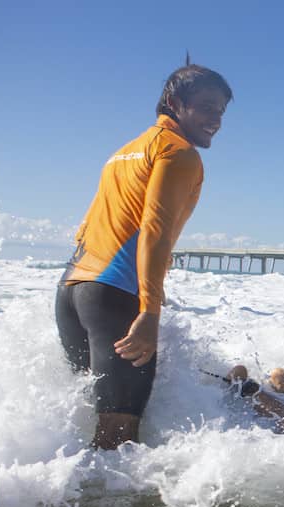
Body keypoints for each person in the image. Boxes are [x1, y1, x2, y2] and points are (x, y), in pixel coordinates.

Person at [55, 63, 233, 449]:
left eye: (221, 111)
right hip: (114, 295)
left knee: (95, 429)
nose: (216, 119)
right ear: (173, 102)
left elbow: (89, 226)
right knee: (118, 441)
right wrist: (149, 310)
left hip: (73, 290)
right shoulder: (179, 152)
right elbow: (154, 229)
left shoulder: (123, 152)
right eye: (206, 107)